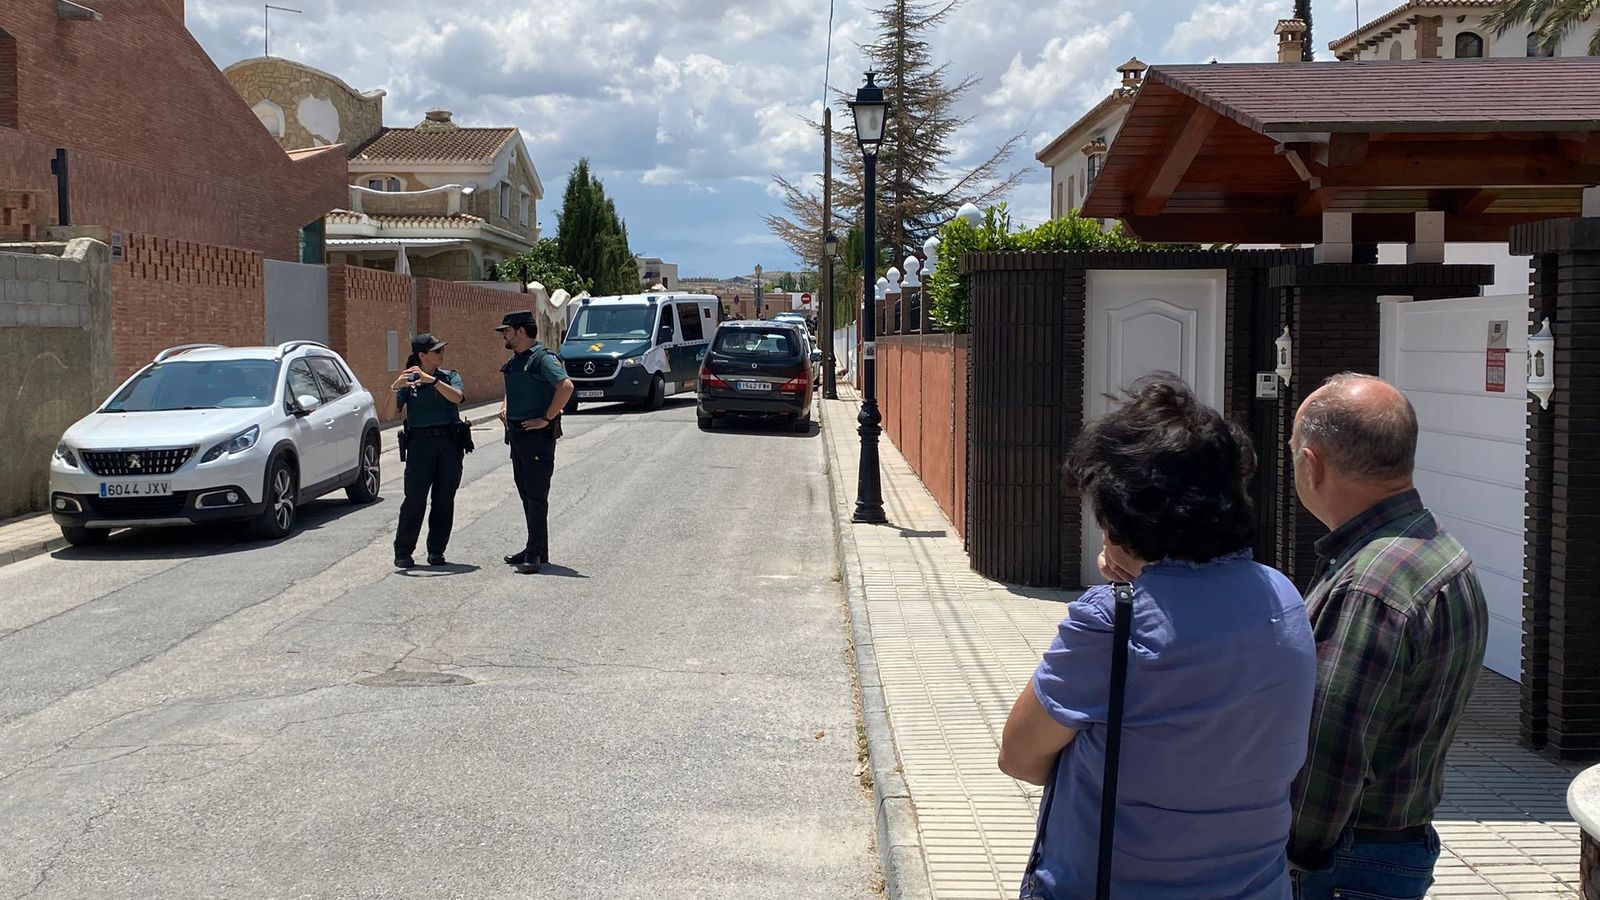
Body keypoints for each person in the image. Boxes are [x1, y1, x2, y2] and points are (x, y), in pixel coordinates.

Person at [998, 376, 1317, 900]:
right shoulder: (1282, 596)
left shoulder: (1110, 622)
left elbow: (1020, 757)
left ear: (1120, 517)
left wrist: (1124, 590)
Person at [1288, 373, 1488, 899]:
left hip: (1342, 864)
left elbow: (1329, 754)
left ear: (1312, 463)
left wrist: (1290, 858)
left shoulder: (1371, 584)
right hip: (1393, 847)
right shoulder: (1441, 553)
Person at [496, 310, 574, 575]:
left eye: (506, 330)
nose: (503, 335)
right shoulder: (518, 360)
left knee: (537, 494)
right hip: (517, 434)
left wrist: (547, 418)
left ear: (520, 331)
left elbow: (566, 386)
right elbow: (512, 388)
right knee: (526, 492)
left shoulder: (543, 359)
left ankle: (533, 553)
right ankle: (537, 547)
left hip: (536, 436)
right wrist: (506, 406)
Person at [391, 334, 465, 569]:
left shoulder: (449, 376)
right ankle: (403, 551)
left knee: (444, 499)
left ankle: (436, 550)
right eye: (436, 351)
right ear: (422, 356)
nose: (442, 353)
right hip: (420, 445)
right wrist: (395, 387)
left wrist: (432, 381)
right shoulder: (409, 381)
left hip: (449, 444)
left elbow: (458, 397)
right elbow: (388, 414)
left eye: (442, 349)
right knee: (414, 499)